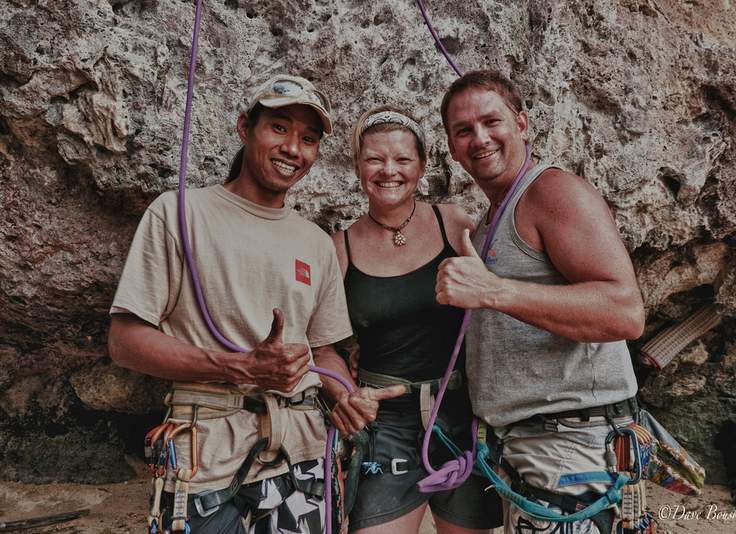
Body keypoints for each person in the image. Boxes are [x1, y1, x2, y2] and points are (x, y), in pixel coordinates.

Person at [108, 74, 402, 534]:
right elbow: (124, 341)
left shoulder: (315, 242)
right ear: (246, 127)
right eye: (279, 128)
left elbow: (321, 350)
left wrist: (347, 396)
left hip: (300, 452)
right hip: (207, 452)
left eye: (308, 139)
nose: (293, 148)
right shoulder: (179, 213)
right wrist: (239, 367)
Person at [435, 70, 646, 534]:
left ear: (523, 125)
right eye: (464, 130)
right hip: (529, 444)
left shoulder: (552, 192)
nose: (480, 138)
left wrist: (493, 290)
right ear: (451, 147)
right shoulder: (493, 218)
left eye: (492, 122)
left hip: (572, 443)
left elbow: (624, 311)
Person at [317, 106, 503, 534]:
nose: (389, 171)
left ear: (421, 165)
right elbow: (322, 347)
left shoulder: (453, 223)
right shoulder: (338, 249)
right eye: (375, 159)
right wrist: (344, 392)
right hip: (387, 423)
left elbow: (499, 295)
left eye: (402, 159)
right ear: (358, 167)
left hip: (460, 412)